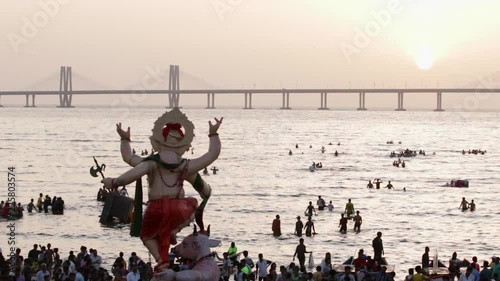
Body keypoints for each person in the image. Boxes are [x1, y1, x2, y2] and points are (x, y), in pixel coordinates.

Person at [102, 109, 223, 270]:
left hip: (156, 208)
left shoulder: (151, 162)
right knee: (193, 204)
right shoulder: (184, 166)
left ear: (158, 140)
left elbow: (130, 162)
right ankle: (174, 230)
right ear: (183, 144)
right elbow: (211, 156)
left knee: (146, 235)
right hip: (179, 207)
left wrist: (114, 181)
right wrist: (213, 134)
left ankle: (161, 259)